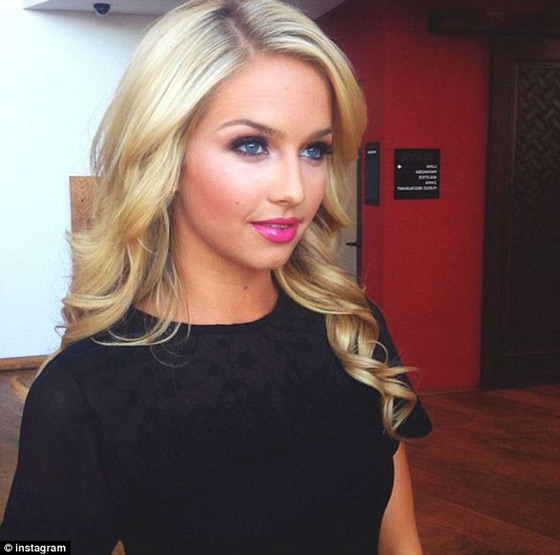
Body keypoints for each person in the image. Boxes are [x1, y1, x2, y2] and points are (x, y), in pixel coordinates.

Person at [0, 0, 431, 553]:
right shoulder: (84, 391)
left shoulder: (350, 329)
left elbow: (401, 541)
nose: (295, 190)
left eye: (314, 150)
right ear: (165, 155)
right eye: (251, 145)